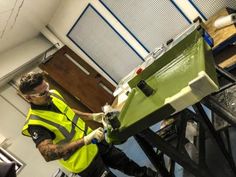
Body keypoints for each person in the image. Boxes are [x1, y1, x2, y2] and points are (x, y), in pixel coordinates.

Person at [19, 72, 159, 177]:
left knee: (124, 162)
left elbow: (67, 111)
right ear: (29, 98)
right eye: (43, 93)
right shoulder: (35, 123)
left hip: (96, 142)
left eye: (47, 87)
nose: (48, 93)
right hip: (84, 162)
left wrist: (93, 116)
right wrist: (86, 140)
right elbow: (48, 154)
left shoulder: (53, 95)